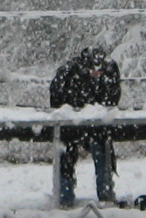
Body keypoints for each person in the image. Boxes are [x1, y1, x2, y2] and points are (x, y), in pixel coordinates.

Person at [49, 47, 121, 207]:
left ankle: (105, 194)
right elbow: (56, 98)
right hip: (70, 123)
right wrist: (79, 107)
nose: (97, 74)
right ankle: (65, 197)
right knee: (67, 154)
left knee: (102, 150)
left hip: (96, 124)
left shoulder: (110, 70)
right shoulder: (69, 72)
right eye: (93, 71)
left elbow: (113, 98)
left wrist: (98, 108)